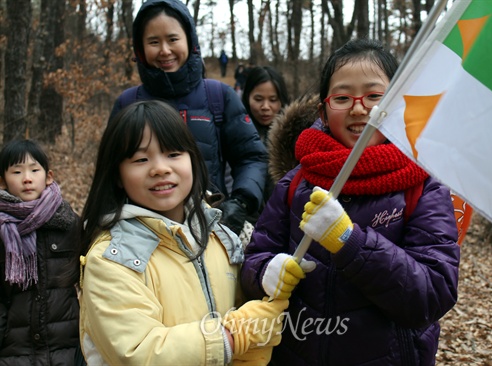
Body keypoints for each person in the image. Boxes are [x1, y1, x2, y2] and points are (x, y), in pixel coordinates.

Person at [240, 38, 460, 365]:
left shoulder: (422, 186)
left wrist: (350, 242)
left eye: (374, 96)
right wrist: (265, 273)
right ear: (324, 112)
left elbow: (431, 295)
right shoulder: (297, 182)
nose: (359, 108)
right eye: (342, 98)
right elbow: (257, 256)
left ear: (398, 104)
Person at [77, 100, 288, 365]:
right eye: (141, 159)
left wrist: (268, 277)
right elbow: (138, 352)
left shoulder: (219, 237)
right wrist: (230, 337)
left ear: (192, 159)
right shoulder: (112, 260)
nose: (160, 169)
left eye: (173, 154)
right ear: (117, 175)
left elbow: (248, 315)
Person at [109, 0, 268, 237]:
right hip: (144, 233)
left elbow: (251, 156)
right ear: (141, 49)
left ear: (189, 41)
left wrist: (241, 202)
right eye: (154, 42)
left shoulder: (218, 96)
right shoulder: (127, 103)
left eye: (173, 39)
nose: (164, 50)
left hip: (214, 226)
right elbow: (111, 170)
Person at [0, 139, 80, 365]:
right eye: (17, 171)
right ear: (2, 182)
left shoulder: (67, 223)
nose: (27, 178)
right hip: (14, 351)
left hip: (66, 347)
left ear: (49, 177)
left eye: (35, 170)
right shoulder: (2, 228)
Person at [241, 66, 289, 210]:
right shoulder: (236, 133)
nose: (265, 107)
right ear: (247, 97)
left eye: (273, 100)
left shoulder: (293, 135)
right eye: (258, 99)